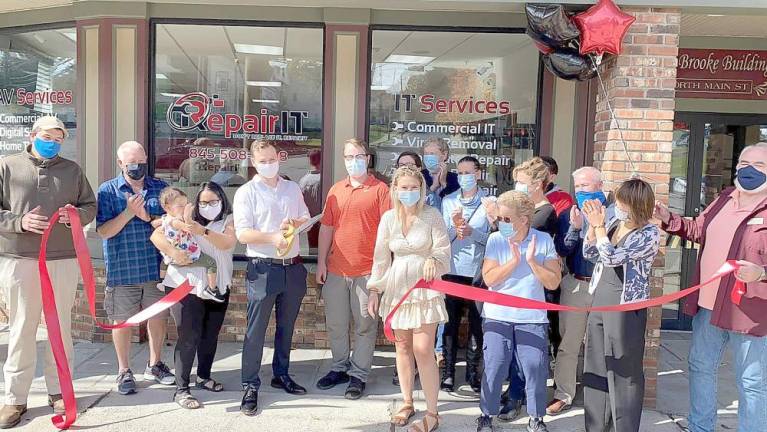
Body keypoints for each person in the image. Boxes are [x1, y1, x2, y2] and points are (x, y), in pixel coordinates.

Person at [655, 142, 767, 432]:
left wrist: (761, 272)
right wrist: (668, 218)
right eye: (744, 163)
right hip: (709, 305)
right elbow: (698, 230)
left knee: (752, 382)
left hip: (751, 312)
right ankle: (700, 427)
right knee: (700, 368)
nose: (749, 170)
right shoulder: (725, 198)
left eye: (759, 165)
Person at [0, 116, 97, 429]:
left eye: (58, 138)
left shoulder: (72, 170)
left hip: (62, 259)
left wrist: (76, 216)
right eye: (47, 136)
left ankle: (59, 390)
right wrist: (19, 222)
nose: (52, 142)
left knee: (60, 327)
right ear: (32, 135)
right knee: (21, 329)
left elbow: (89, 206)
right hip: (20, 258)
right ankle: (15, 399)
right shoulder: (8, 166)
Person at [367, 166, 450, 432]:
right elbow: (381, 258)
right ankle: (406, 402)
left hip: (425, 290)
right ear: (395, 189)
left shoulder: (432, 215)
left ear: (422, 189)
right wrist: (374, 289)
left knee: (423, 349)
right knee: (402, 348)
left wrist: (433, 261)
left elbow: (443, 250)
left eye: (414, 187)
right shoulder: (389, 219)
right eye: (404, 187)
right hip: (396, 288)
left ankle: (433, 412)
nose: (409, 192)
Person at [234, 140, 310, 415]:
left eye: (272, 159)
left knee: (286, 327)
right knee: (256, 330)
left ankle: (281, 374)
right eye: (262, 161)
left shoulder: (292, 187)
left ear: (279, 158)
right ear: (254, 163)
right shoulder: (246, 192)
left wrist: (295, 224)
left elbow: (304, 216)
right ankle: (250, 384)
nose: (269, 164)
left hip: (293, 267)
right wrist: (273, 237)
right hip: (263, 268)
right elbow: (243, 234)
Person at [476, 191, 561, 432]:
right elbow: (490, 278)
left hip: (531, 318)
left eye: (505, 219)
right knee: (495, 365)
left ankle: (536, 418)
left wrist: (532, 261)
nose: (501, 223)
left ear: (523, 219)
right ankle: (486, 415)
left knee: (535, 367)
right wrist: (513, 262)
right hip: (497, 316)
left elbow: (553, 282)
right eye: (500, 219)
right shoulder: (495, 240)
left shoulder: (543, 240)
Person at [95, 140, 175, 397]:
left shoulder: (160, 188)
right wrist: (129, 213)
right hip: (123, 268)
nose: (137, 167)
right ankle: (124, 369)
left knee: (158, 318)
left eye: (141, 162)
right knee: (122, 322)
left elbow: (173, 221)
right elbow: (104, 232)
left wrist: (150, 218)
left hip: (156, 268)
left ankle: (155, 364)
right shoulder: (108, 191)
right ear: (120, 164)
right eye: (132, 163)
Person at [580, 178, 660, 432]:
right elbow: (592, 254)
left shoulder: (649, 233)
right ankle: (595, 424)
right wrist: (593, 231)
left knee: (623, 369)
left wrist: (600, 228)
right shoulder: (615, 223)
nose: (618, 206)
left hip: (625, 307)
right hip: (601, 299)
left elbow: (613, 257)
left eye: (623, 202)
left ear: (637, 205)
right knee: (596, 363)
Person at [315, 139, 390, 400]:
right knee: (336, 324)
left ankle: (358, 375)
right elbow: (326, 228)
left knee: (365, 326)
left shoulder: (381, 190)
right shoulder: (336, 190)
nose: (353, 160)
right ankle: (339, 367)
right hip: (336, 270)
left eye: (358, 155)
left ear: (368, 158)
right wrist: (321, 262)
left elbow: (387, 233)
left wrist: (380, 275)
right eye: (348, 156)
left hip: (367, 272)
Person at [151, 181, 236, 409]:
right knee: (189, 336)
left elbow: (228, 243)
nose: (208, 206)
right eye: (204, 202)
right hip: (185, 285)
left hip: (217, 285)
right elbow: (157, 234)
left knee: (210, 334)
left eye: (214, 201)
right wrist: (172, 251)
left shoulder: (228, 220)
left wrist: (203, 231)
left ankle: (204, 377)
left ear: (222, 200)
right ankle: (182, 389)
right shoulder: (184, 219)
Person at [548, 166, 613, 415]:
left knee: (604, 345)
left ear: (599, 185)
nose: (581, 191)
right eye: (577, 187)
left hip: (606, 286)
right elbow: (563, 251)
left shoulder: (615, 212)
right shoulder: (569, 214)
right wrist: (575, 228)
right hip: (576, 284)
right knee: (569, 344)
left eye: (585, 186)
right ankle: (564, 394)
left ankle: (600, 396)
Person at [500, 157, 559, 421]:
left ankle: (517, 397)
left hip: (532, 291)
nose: (517, 186)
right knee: (511, 348)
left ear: (537, 184)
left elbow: (517, 236)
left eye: (522, 182)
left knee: (527, 351)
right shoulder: (522, 210)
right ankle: (513, 390)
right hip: (510, 287)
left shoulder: (544, 212)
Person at [439, 156, 489, 393]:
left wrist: (473, 232)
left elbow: (494, 239)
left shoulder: (490, 203)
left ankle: (473, 373)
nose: (463, 177)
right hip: (452, 271)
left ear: (478, 174)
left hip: (478, 272)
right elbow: (441, 239)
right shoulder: (448, 201)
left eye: (468, 172)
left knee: (476, 325)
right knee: (450, 324)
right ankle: (448, 373)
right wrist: (454, 228)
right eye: (460, 173)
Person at [157, 187, 224, 302]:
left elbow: (155, 224)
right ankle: (212, 288)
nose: (184, 208)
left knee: (164, 262)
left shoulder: (165, 219)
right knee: (211, 263)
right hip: (189, 254)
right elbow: (188, 228)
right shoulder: (174, 221)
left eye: (186, 204)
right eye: (181, 206)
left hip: (172, 257)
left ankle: (162, 281)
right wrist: (188, 217)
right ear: (167, 208)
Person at [422, 137, 459, 211]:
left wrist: (444, 183)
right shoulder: (420, 176)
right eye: (426, 154)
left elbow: (456, 205)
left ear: (444, 155)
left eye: (432, 153)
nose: (429, 157)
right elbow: (418, 204)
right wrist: (434, 187)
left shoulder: (456, 179)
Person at [298, 149, 322, 249]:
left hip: (310, 221)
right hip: (323, 221)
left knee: (313, 249)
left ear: (309, 161)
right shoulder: (325, 179)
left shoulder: (303, 181)